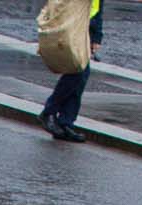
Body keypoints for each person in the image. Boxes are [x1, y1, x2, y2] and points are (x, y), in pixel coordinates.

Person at [40, 0, 100, 142]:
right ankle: (50, 112)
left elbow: (98, 7)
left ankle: (65, 122)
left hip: (85, 24)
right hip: (72, 22)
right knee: (79, 71)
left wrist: (97, 35)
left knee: (80, 74)